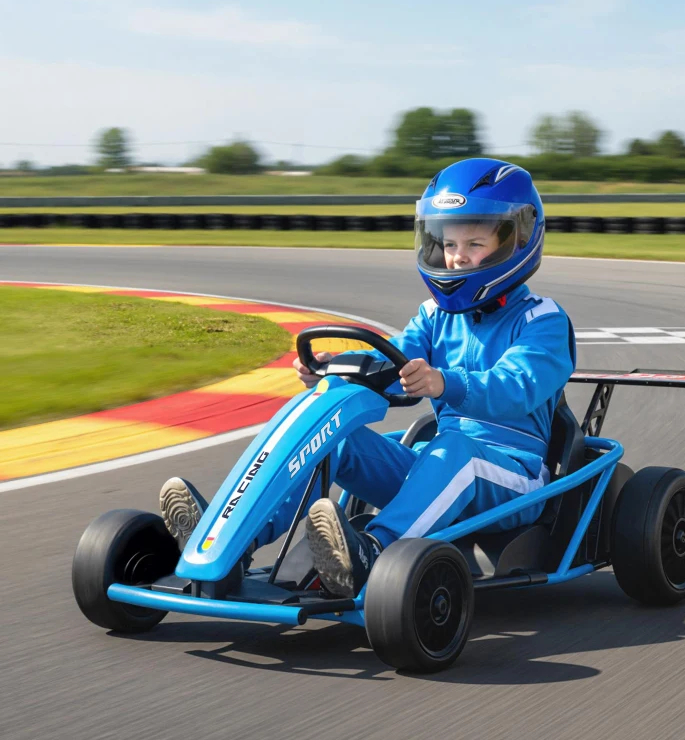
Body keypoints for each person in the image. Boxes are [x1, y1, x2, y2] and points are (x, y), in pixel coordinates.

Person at [160, 158, 576, 599]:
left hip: (514, 476)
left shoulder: (542, 321)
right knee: (331, 440)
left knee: (457, 450)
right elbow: (393, 359)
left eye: (475, 243)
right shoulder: (435, 316)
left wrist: (444, 383)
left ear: (519, 239)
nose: (457, 257)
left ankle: (373, 552)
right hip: (438, 460)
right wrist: (333, 366)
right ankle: (232, 545)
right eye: (449, 243)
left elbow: (518, 388)